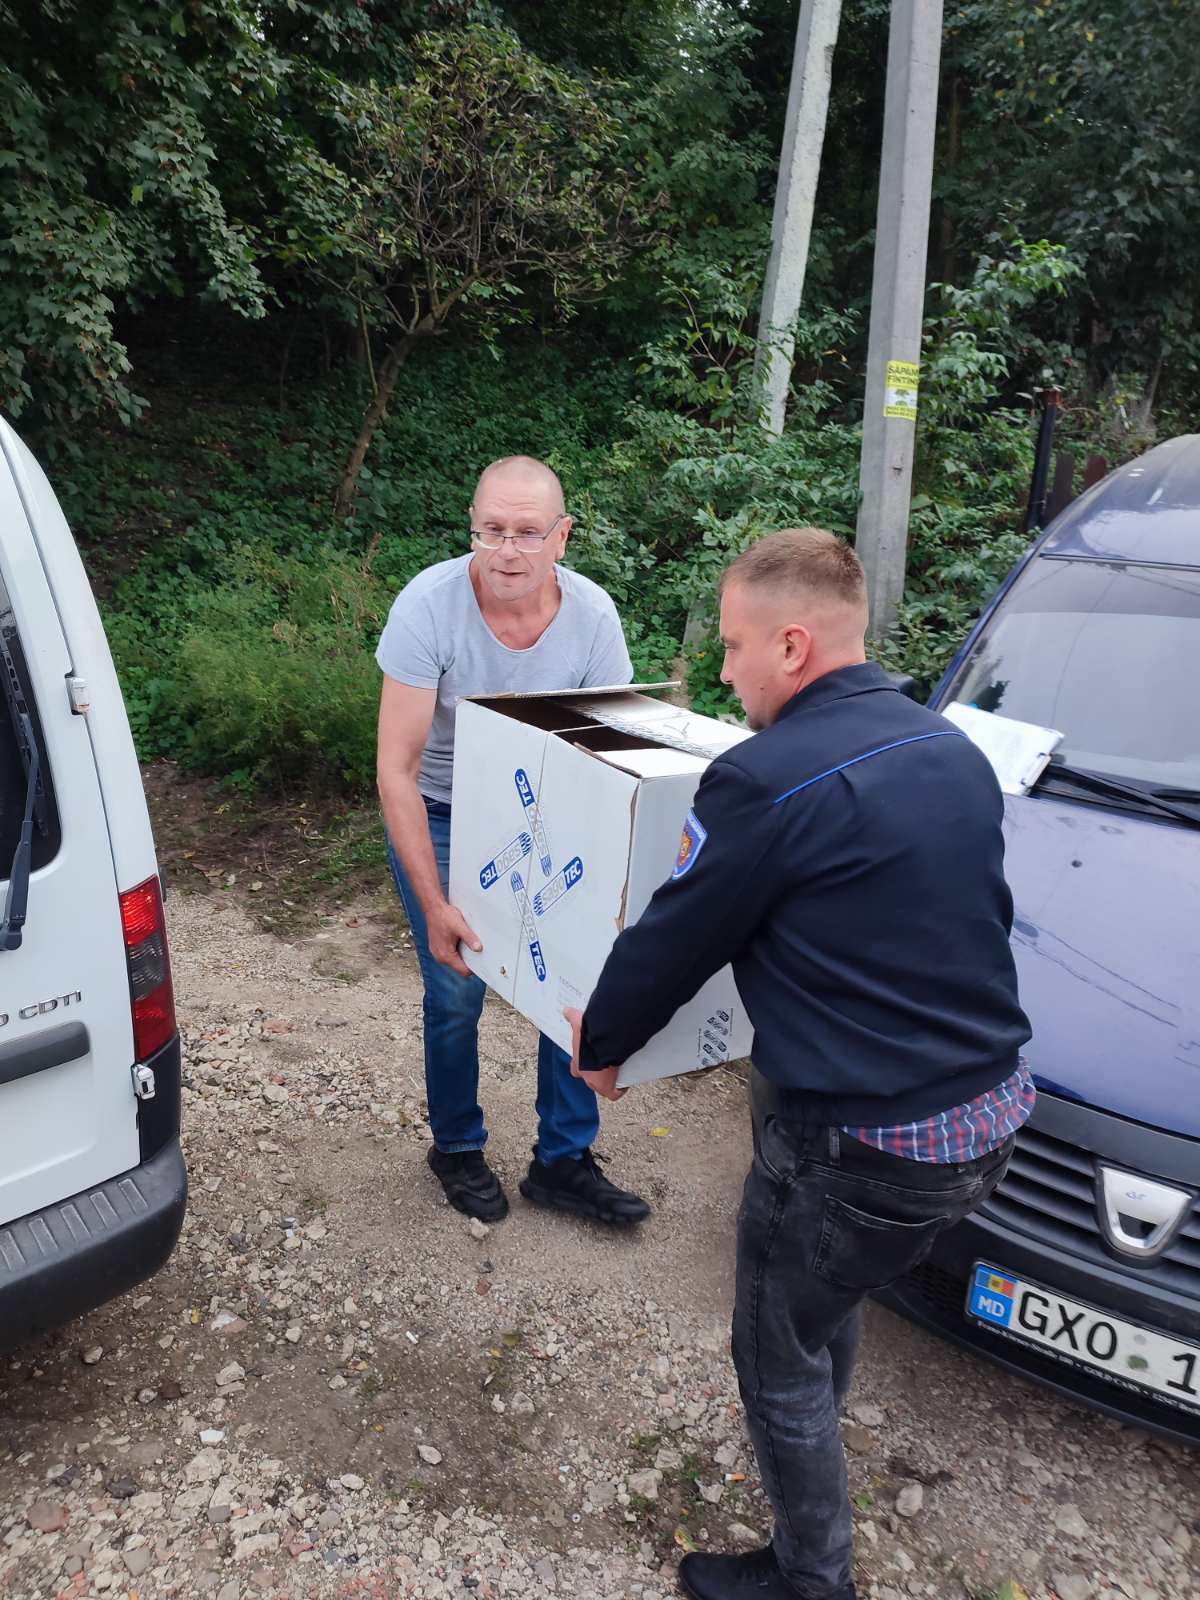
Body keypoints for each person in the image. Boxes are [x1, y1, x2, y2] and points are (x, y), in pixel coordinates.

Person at [564, 528, 1033, 1600]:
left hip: (856, 1144)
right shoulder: (950, 747)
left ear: (789, 644)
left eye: (731, 647)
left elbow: (676, 938)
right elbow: (973, 920)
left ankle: (812, 1579)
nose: (723, 672)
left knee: (775, 1358)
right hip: (989, 1116)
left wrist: (600, 1045)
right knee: (829, 1295)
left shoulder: (764, 779)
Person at [376, 454, 650, 1228]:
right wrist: (434, 902)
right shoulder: (427, 607)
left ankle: (562, 1161)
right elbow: (393, 771)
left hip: (552, 808)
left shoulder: (593, 619)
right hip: (443, 806)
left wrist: (617, 887)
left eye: (527, 533)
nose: (506, 550)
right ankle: (457, 1147)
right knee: (457, 985)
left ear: (561, 537)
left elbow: (613, 759)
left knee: (570, 983)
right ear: (473, 529)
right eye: (491, 530)